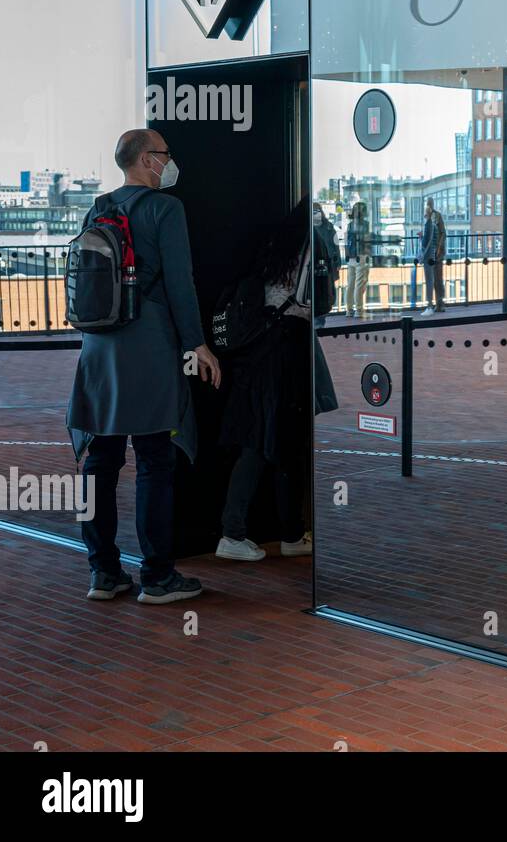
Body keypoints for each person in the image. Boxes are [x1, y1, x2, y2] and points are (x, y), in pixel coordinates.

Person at [67, 128, 221, 604]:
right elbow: (181, 283)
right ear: (146, 160)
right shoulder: (165, 209)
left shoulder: (101, 207)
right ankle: (157, 577)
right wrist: (199, 344)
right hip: (149, 348)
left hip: (99, 350)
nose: (169, 161)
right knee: (155, 460)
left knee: (100, 461)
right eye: (165, 154)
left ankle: (104, 573)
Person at [216, 199, 337, 561]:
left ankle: (261, 532)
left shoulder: (275, 241)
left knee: (259, 443)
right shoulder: (312, 242)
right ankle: (270, 534)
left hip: (258, 351)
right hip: (287, 350)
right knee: (284, 444)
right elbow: (323, 300)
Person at [312, 203, 340, 328]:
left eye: (316, 211)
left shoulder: (328, 227)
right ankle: (319, 322)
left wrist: (337, 262)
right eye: (313, 211)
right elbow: (336, 246)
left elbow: (336, 246)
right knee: (323, 292)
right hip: (321, 267)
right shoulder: (328, 227)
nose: (315, 214)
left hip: (325, 266)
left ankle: (319, 322)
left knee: (325, 292)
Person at [419, 195, 446, 314]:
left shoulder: (437, 216)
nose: (429, 205)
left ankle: (440, 303)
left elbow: (443, 233)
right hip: (430, 253)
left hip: (437, 253)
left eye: (430, 203)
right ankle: (433, 304)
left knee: (438, 279)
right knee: (431, 279)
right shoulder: (427, 217)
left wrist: (439, 248)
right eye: (428, 203)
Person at [346, 200, 371, 318]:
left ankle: (349, 309)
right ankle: (359, 310)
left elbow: (347, 241)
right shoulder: (365, 224)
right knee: (359, 284)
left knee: (350, 284)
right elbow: (366, 241)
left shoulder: (350, 225)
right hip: (361, 256)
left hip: (350, 257)